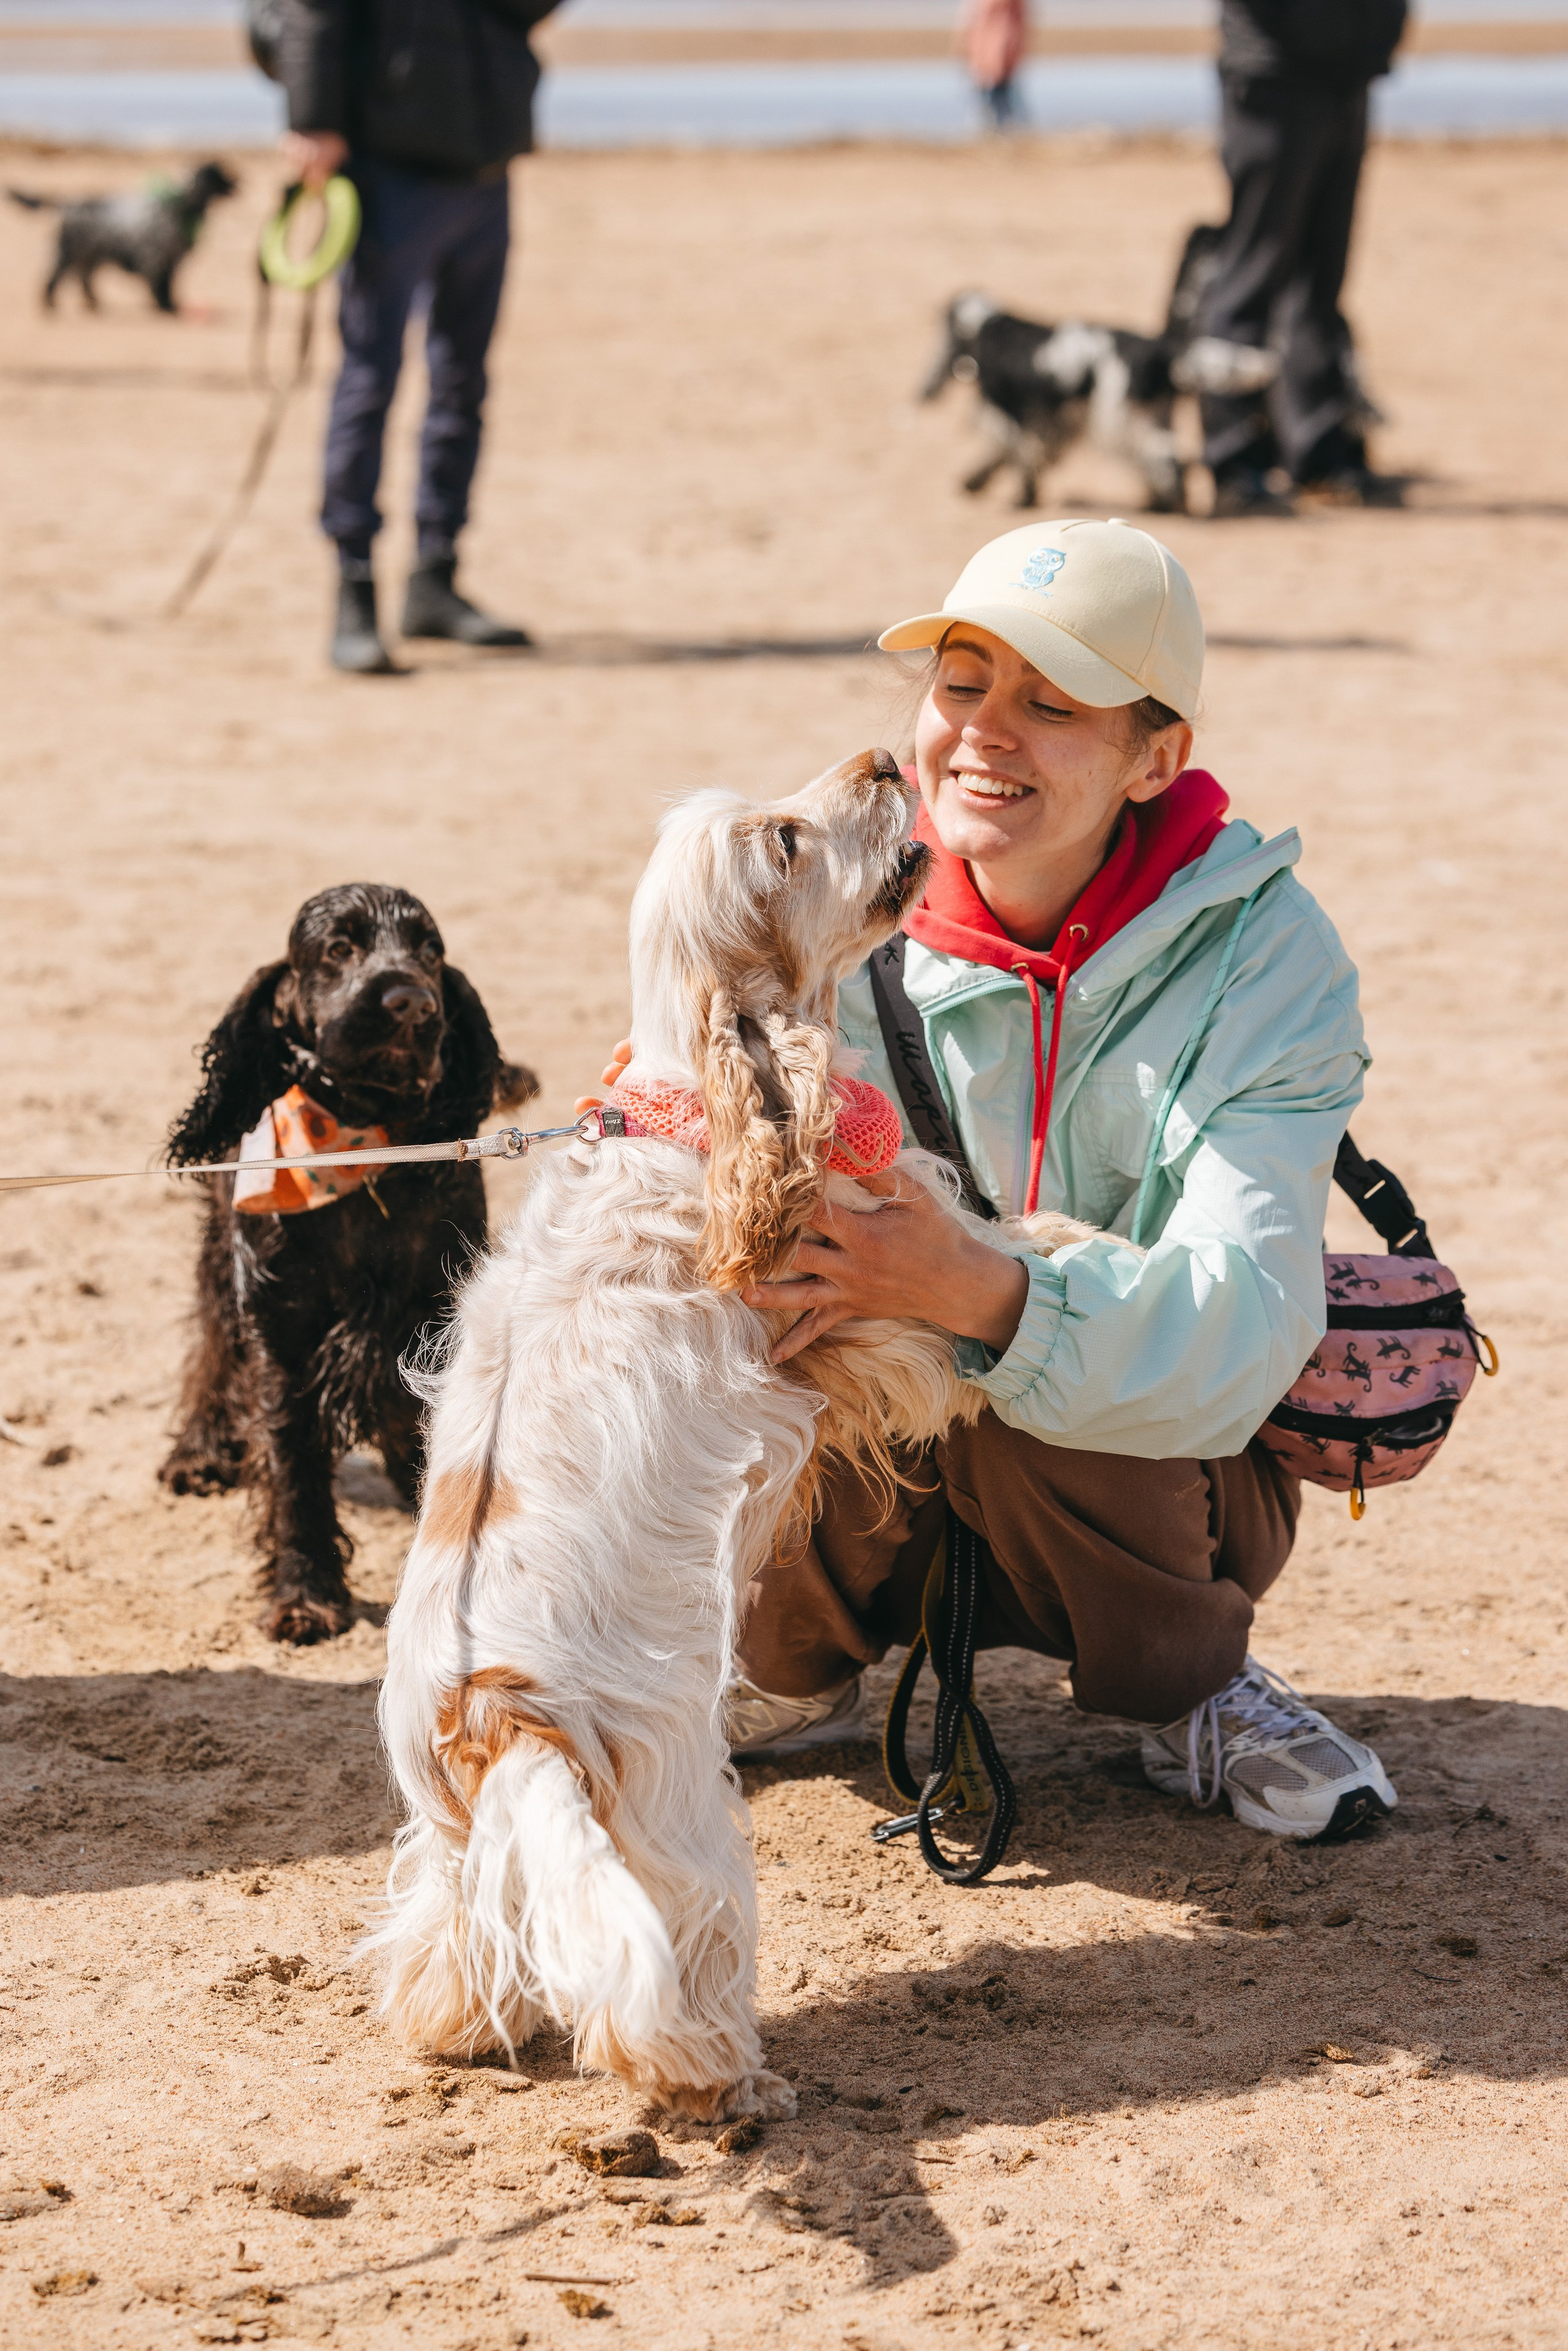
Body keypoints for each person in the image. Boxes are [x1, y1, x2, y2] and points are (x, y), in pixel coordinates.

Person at [593, 518, 1397, 1843]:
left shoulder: (1267, 961)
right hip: (856, 1435)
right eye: (959, 684)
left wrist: (986, 1286)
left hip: (1141, 1487)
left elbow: (1246, 1324)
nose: (982, 734)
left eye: (1051, 702)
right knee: (771, 1314)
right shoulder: (823, 899)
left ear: (1156, 757)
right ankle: (781, 1664)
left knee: (1029, 1344)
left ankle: (1185, 1682)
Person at [273, 0, 558, 673]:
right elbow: (313, 10)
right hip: (386, 169)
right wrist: (312, 119)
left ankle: (435, 577)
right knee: (370, 380)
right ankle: (354, 588)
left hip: (484, 165)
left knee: (463, 380)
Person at [1199, 0, 1408, 514]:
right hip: (1274, 73)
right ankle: (1234, 463)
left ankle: (1322, 454)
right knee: (1253, 271)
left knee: (1322, 278)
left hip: (1348, 72)